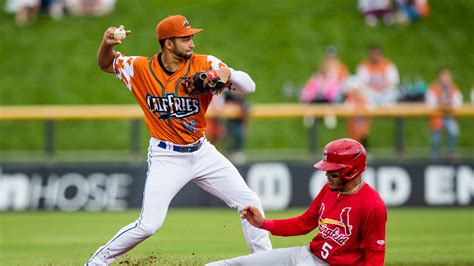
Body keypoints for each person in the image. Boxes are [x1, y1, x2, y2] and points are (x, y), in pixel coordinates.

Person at [86, 15, 272, 265]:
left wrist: (227, 73)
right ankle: (96, 263)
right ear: (169, 44)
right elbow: (106, 65)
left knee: (250, 203)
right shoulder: (141, 69)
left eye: (192, 37)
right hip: (167, 156)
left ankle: (265, 261)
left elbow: (249, 87)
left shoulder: (205, 63)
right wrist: (107, 44)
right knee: (149, 225)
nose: (192, 43)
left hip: (202, 151)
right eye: (185, 38)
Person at [207, 138, 387, 266]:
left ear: (351, 171)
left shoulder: (372, 206)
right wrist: (263, 223)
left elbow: (375, 255)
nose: (326, 175)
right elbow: (304, 223)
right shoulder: (329, 189)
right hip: (306, 254)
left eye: (332, 172)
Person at [425, 68, 463, 160]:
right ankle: (434, 159)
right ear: (439, 77)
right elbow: (430, 103)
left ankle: (450, 154)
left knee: (454, 132)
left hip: (449, 117)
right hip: (437, 117)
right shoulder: (433, 88)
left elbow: (458, 102)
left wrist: (447, 100)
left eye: (447, 76)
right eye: (444, 76)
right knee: (435, 141)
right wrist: (441, 103)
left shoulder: (453, 88)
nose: (446, 79)